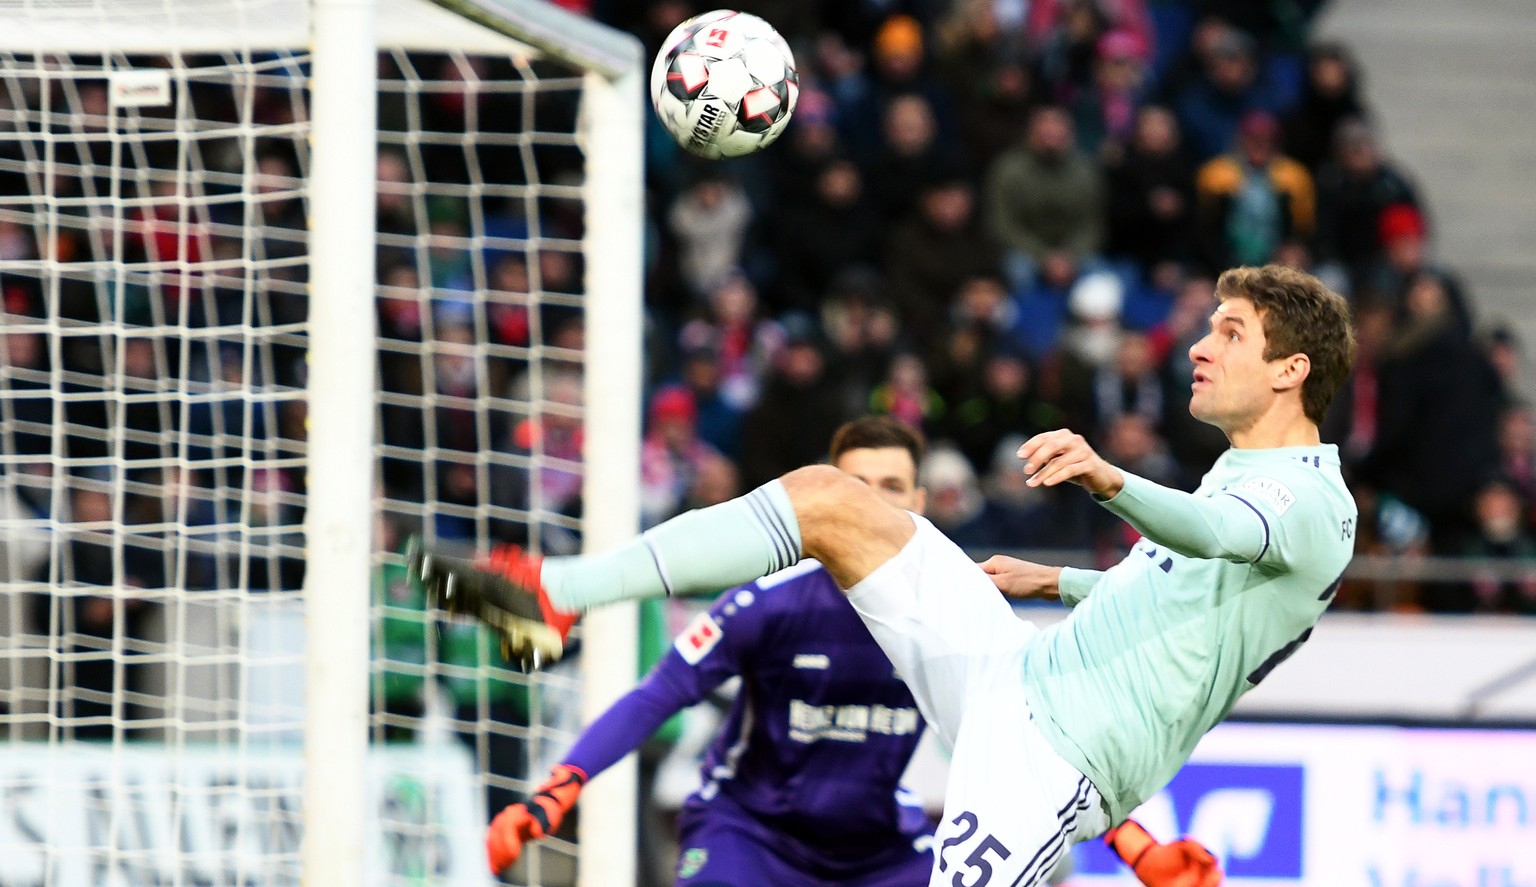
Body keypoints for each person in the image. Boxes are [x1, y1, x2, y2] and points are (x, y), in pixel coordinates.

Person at [414, 264, 1356, 887]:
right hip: (1007, 671)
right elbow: (1187, 590)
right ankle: (555, 592)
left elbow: (1210, 534)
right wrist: (1057, 583)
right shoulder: (1242, 473)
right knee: (830, 498)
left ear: (1290, 371)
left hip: (1048, 766)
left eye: (1229, 332)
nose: (1199, 344)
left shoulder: (1313, 503)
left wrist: (1110, 479)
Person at [483, 417, 938, 886]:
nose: (873, 504)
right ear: (824, 499)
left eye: (892, 487)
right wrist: (561, 785)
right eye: (856, 487)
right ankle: (564, 588)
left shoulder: (948, 611)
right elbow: (658, 694)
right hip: (751, 836)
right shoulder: (767, 603)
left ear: (918, 502)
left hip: (879, 853)